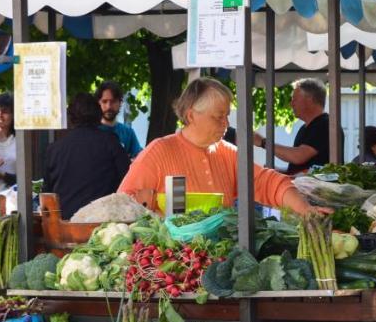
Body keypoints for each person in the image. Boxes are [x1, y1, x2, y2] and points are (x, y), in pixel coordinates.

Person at [119, 78, 323, 218]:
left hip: (218, 263)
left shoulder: (228, 153)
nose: (226, 124)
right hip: (172, 271)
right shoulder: (159, 151)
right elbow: (120, 204)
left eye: (227, 115)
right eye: (218, 117)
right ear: (191, 116)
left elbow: (268, 183)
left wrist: (306, 209)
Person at [46, 92, 130, 218]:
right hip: (103, 225)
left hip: (65, 225)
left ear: (71, 117)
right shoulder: (111, 142)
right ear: (98, 115)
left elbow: (47, 192)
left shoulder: (54, 149)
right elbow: (128, 179)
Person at [252, 78, 335, 174]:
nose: (291, 104)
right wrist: (279, 172)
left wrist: (263, 142)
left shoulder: (325, 124)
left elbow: (298, 156)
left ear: (310, 99)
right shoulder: (306, 128)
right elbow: (301, 169)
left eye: (294, 99)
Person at [97, 81, 143, 159]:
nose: (109, 106)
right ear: (98, 103)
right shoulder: (91, 131)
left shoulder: (128, 133)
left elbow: (139, 160)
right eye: (104, 101)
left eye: (113, 101)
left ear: (120, 103)